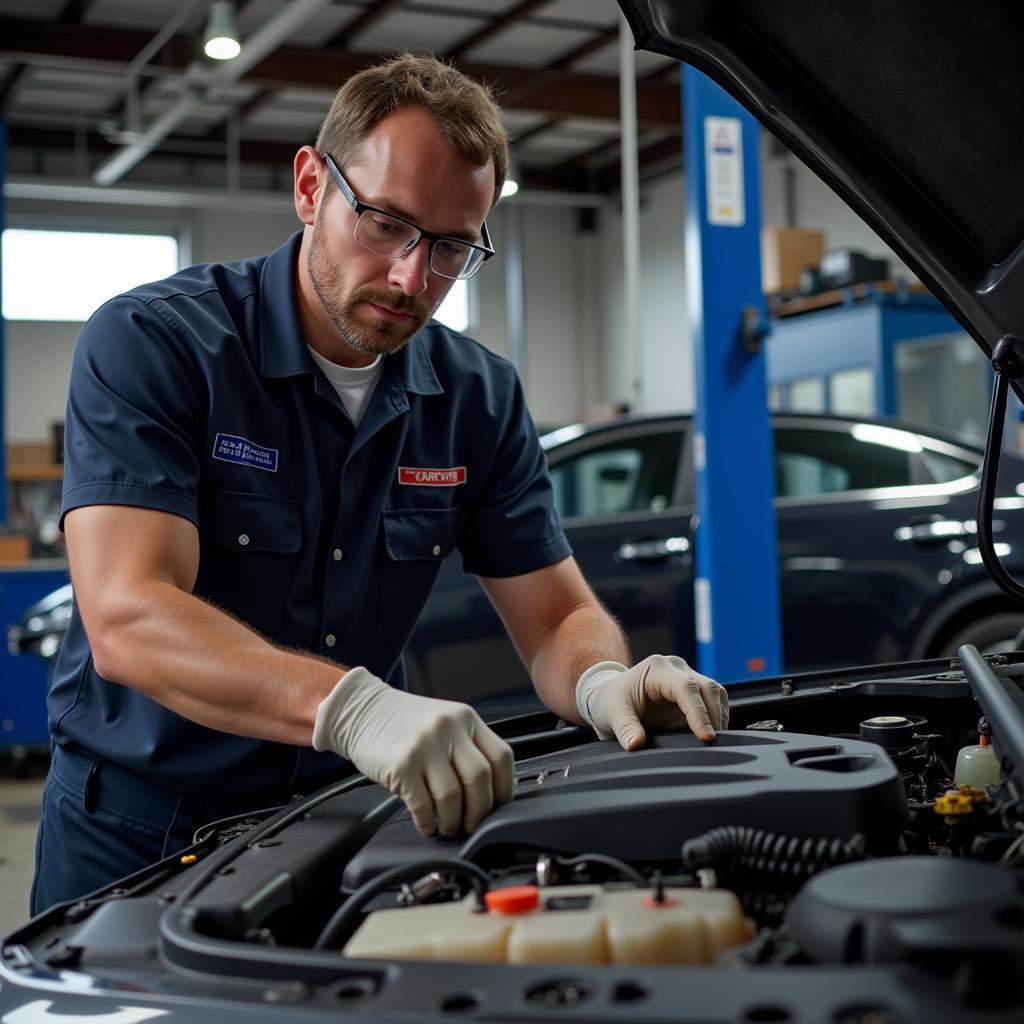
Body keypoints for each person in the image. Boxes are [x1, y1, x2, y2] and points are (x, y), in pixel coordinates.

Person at [31, 53, 728, 915]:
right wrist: (354, 709)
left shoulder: (480, 396)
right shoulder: (156, 345)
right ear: (311, 185)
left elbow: (555, 617)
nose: (410, 278)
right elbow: (128, 616)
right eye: (386, 223)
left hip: (344, 824)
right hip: (135, 835)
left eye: (448, 248)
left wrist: (601, 684)